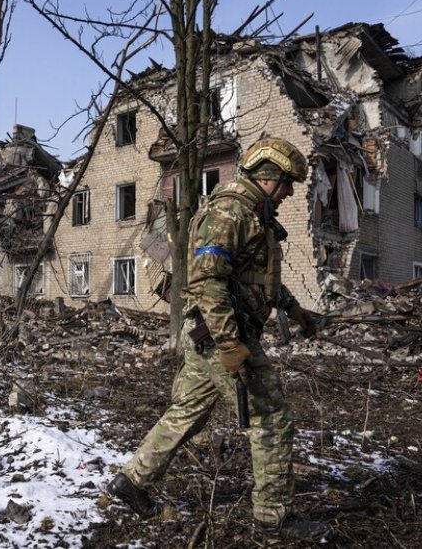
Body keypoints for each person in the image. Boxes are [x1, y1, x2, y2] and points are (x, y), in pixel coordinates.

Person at [106, 138, 331, 541]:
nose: (290, 192)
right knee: (272, 419)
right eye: (286, 184)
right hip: (222, 335)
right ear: (267, 178)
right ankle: (272, 519)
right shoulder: (229, 212)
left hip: (213, 335)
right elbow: (208, 280)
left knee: (189, 411)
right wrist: (230, 344)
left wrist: (296, 312)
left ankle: (132, 481)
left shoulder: (252, 215)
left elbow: (258, 280)